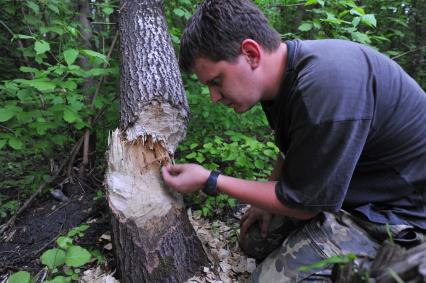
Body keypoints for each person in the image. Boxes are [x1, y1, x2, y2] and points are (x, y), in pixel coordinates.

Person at [161, 0, 426, 281]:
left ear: (251, 54)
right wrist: (266, 197)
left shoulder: (325, 87)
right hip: (358, 186)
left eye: (216, 81)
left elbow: (303, 206)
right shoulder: (284, 76)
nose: (214, 97)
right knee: (254, 240)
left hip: (400, 211)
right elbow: (292, 148)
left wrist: (210, 180)